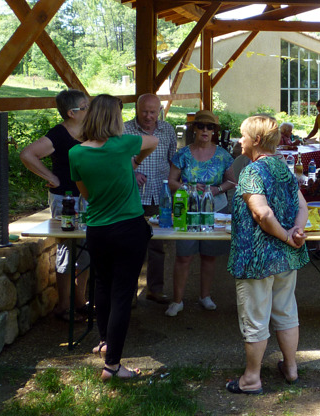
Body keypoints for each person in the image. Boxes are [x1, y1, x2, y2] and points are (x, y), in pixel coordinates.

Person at [69, 94, 158, 380]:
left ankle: (105, 341)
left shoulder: (76, 153)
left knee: (102, 287)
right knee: (122, 294)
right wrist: (134, 162)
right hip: (129, 229)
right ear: (115, 119)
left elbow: (86, 193)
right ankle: (112, 365)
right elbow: (153, 142)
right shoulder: (124, 144)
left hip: (98, 230)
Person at [227, 114, 308, 394]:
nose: (240, 140)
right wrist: (296, 232)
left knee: (255, 317)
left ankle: (251, 379)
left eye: (243, 135)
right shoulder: (284, 168)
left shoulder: (252, 170)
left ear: (257, 140)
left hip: (257, 259)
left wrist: (288, 234)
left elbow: (261, 213)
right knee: (286, 312)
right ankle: (291, 368)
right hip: (286, 257)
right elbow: (303, 206)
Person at [19, 89, 91, 322]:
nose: (90, 109)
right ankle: (64, 306)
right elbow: (28, 154)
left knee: (86, 251)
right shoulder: (58, 135)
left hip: (88, 198)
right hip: (66, 200)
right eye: (85, 106)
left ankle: (80, 303)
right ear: (71, 113)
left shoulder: (91, 132)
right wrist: (53, 178)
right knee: (67, 250)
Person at [165, 110, 236, 318]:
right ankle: (177, 300)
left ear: (215, 131)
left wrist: (217, 189)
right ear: (194, 128)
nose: (205, 130)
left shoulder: (223, 155)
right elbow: (171, 182)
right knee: (184, 256)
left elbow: (232, 181)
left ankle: (205, 296)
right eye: (201, 126)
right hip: (187, 209)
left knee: (209, 256)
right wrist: (188, 189)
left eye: (210, 127)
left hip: (216, 208)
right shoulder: (183, 154)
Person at [123, 93, 177, 305]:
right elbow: (116, 159)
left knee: (158, 245)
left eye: (152, 112)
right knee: (131, 245)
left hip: (160, 194)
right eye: (144, 111)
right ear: (137, 110)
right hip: (132, 194)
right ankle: (130, 293)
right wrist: (131, 173)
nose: (148, 116)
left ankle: (155, 289)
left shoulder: (167, 130)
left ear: (160, 110)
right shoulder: (125, 129)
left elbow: (173, 160)